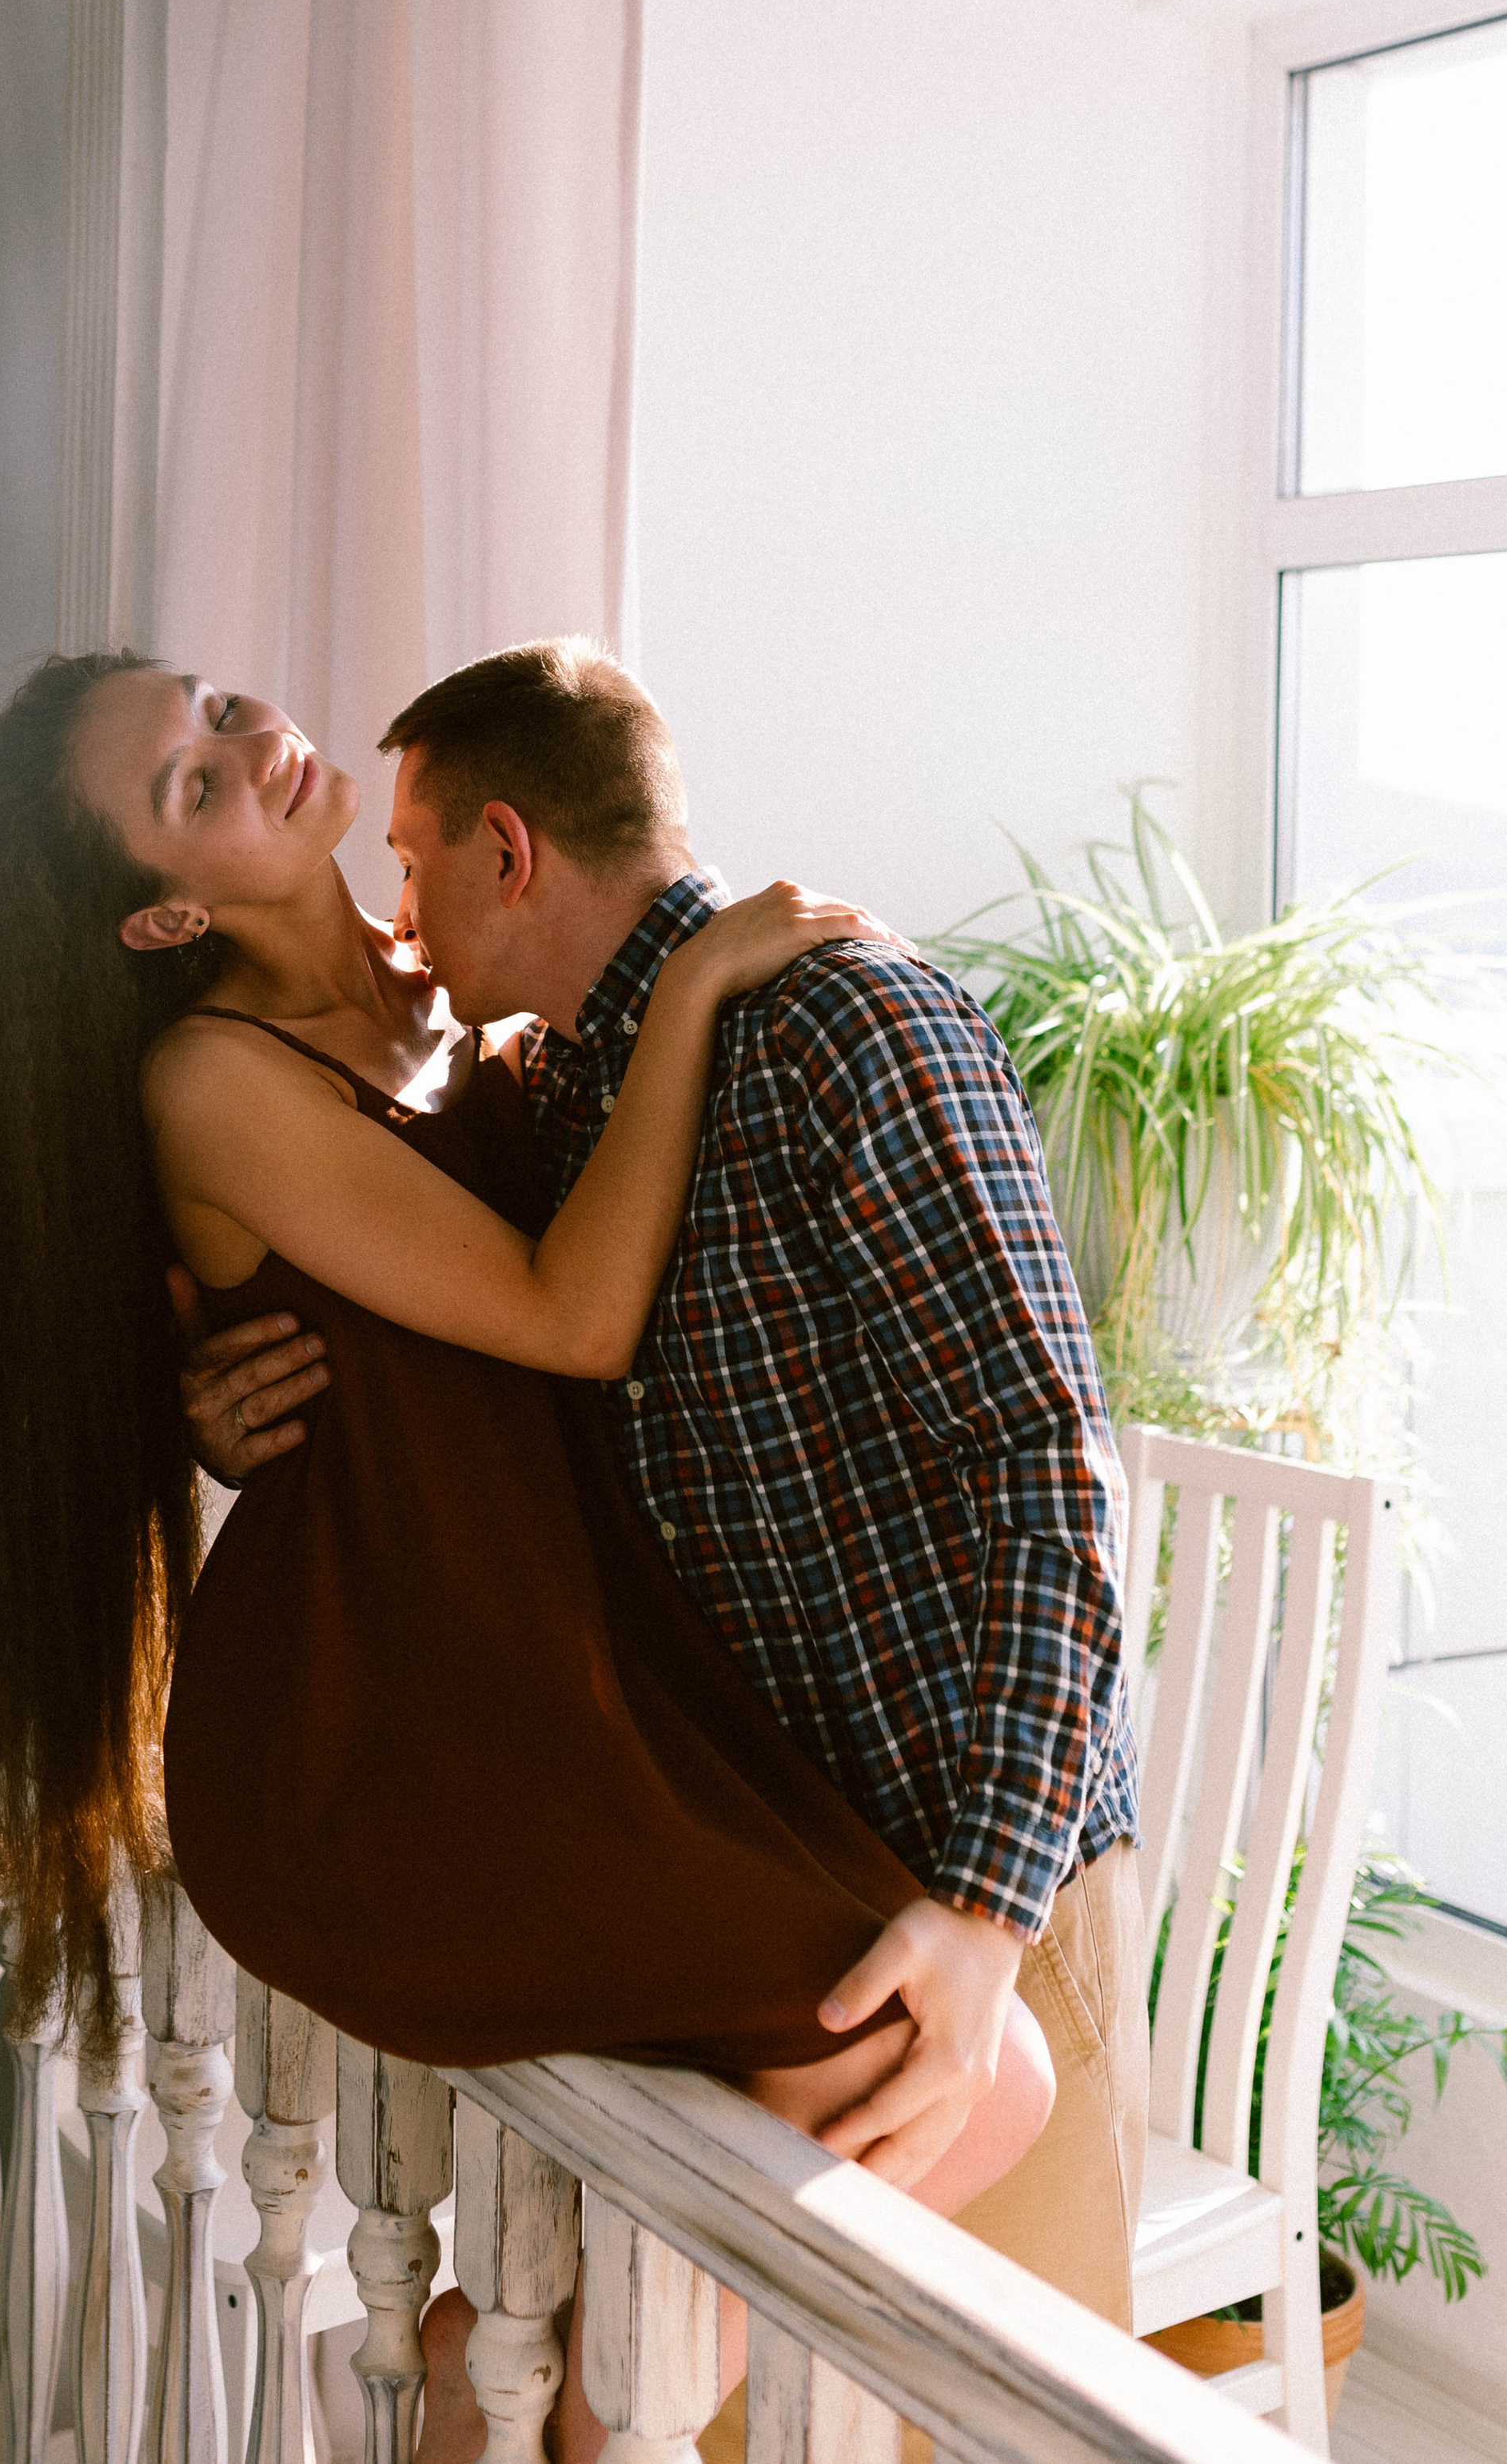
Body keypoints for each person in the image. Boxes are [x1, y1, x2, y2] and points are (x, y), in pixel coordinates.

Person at [0, 648, 1055, 2464]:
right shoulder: (207, 1074)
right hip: (401, 1713)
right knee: (974, 2077)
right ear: (165, 909)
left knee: (945, 2077)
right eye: (190, 782)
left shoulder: (462, 1005)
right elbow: (566, 1317)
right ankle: (578, 2417)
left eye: (209, 704)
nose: (248, 740)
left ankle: (486, 2382)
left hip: (571, 1672)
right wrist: (704, 975)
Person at [182, 637, 1147, 2358]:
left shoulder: (850, 1023)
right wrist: (221, 1389)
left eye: (411, 865)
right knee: (663, 2373)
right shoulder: (553, 1096)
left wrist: (989, 1907)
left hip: (972, 1875)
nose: (399, 917)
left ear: (509, 852)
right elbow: (458, 1347)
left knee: (996, 2401)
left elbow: (1043, 1466)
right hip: (774, 1863)